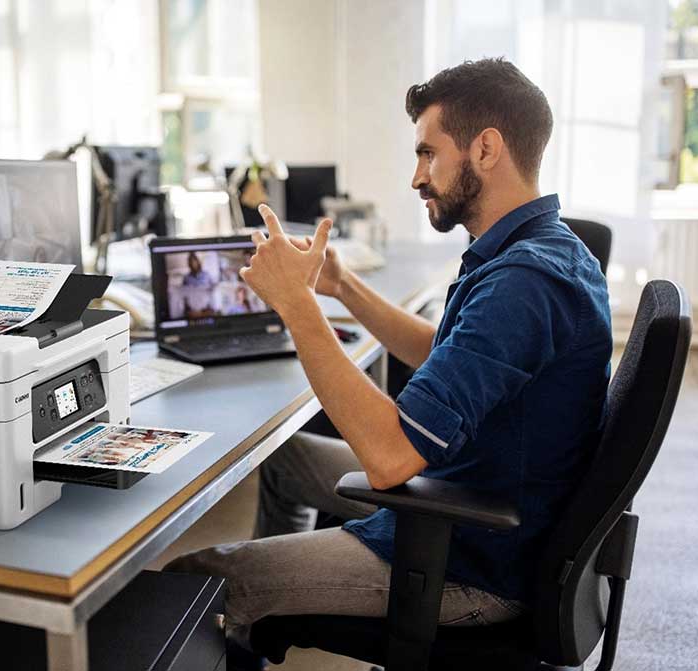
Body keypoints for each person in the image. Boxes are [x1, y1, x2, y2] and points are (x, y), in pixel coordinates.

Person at [164, 57, 612, 661]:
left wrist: (298, 307)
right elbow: (448, 354)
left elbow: (388, 458)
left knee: (194, 579)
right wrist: (342, 288)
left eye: (428, 154)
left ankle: (246, 601)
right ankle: (262, 614)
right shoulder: (538, 249)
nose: (416, 177)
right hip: (472, 498)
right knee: (286, 459)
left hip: (470, 563)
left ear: (485, 149)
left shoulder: (524, 282)